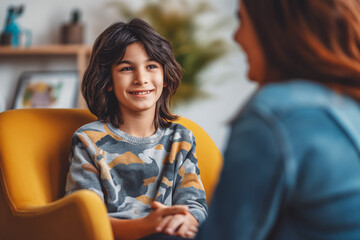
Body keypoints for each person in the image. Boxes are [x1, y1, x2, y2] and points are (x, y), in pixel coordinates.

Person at [196, 0, 360, 239]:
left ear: (273, 26)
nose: (235, 37)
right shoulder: (348, 103)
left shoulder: (274, 114)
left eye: (241, 20)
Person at [65, 18, 207, 240]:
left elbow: (195, 206)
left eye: (151, 66)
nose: (141, 79)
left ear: (165, 76)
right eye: (127, 68)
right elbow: (84, 219)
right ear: (108, 80)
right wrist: (148, 226)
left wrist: (186, 220)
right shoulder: (87, 141)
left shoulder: (181, 138)